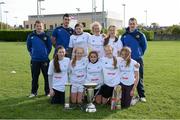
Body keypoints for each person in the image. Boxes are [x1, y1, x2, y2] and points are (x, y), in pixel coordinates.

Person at [121, 17, 147, 102]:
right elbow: (122, 47)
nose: (132, 25)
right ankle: (125, 93)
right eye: (130, 23)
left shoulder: (140, 35)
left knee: (139, 77)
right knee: (125, 76)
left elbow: (144, 46)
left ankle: (141, 95)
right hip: (127, 60)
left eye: (133, 24)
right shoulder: (124, 35)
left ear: (136, 24)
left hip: (137, 59)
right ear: (128, 24)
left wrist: (139, 54)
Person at [27, 20, 52, 98]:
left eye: (40, 26)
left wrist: (45, 54)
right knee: (34, 77)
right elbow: (28, 46)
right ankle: (34, 92)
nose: (39, 27)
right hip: (35, 60)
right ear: (35, 27)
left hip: (44, 60)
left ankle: (47, 92)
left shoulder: (46, 36)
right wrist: (33, 53)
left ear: (43, 27)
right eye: (37, 26)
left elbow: (49, 47)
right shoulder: (31, 36)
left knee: (46, 77)